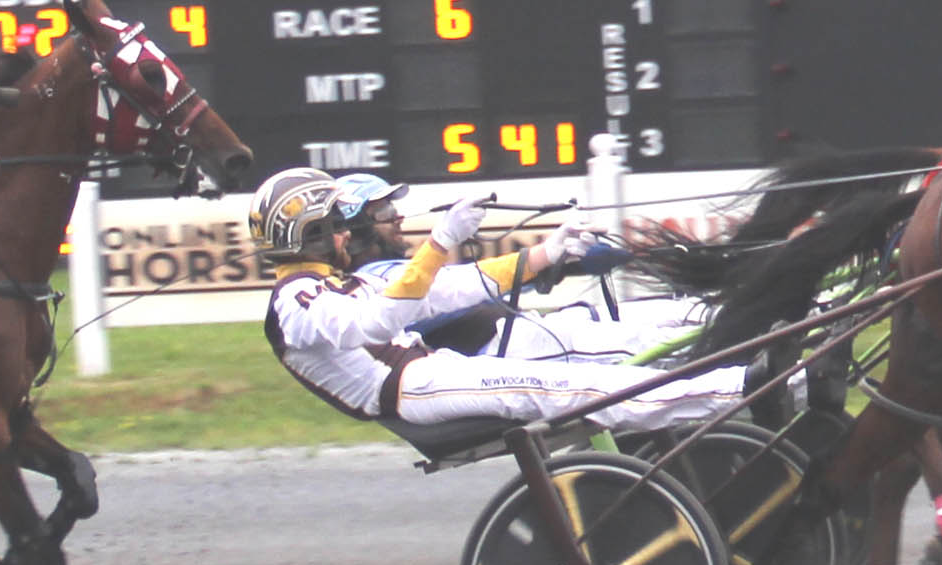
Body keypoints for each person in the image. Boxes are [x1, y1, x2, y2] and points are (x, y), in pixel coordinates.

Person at [251, 168, 754, 439]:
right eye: (335, 225)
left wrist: (546, 254)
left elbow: (445, 291)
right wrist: (440, 241)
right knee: (573, 386)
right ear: (311, 235)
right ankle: (744, 390)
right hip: (410, 388)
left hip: (429, 373)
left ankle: (741, 386)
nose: (344, 233)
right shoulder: (294, 303)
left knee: (577, 382)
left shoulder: (328, 285)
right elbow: (378, 322)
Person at [329, 173, 703, 365]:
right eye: (383, 212)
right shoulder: (372, 284)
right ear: (355, 229)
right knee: (671, 345)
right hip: (510, 355)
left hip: (538, 331)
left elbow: (463, 285)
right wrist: (540, 264)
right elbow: (449, 295)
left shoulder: (401, 268)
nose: (397, 218)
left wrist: (568, 260)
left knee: (690, 313)